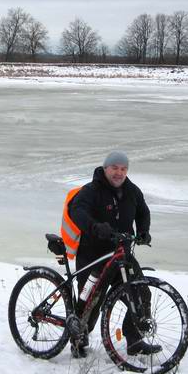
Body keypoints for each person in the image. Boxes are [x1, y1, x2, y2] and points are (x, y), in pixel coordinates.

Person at [68, 151, 158, 358]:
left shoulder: (132, 191)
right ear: (106, 168)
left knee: (141, 292)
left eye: (123, 169)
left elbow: (143, 212)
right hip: (93, 255)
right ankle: (78, 339)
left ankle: (134, 340)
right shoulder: (91, 190)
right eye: (115, 168)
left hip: (121, 255)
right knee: (90, 303)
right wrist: (96, 227)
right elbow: (77, 210)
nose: (119, 173)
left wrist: (143, 231)